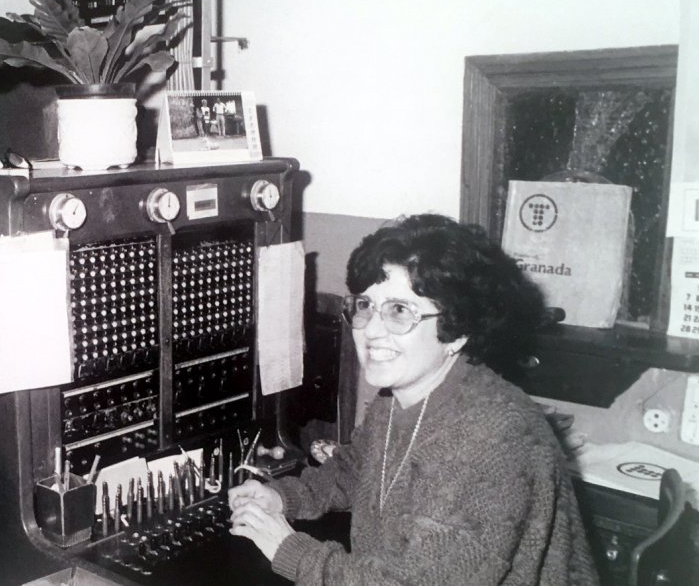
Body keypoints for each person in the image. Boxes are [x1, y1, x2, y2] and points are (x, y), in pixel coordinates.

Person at [228, 214, 597, 585]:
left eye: (400, 311)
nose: (371, 330)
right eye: (365, 306)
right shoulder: (401, 395)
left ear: (456, 330)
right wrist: (286, 498)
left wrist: (288, 547)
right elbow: (357, 468)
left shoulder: (499, 440)